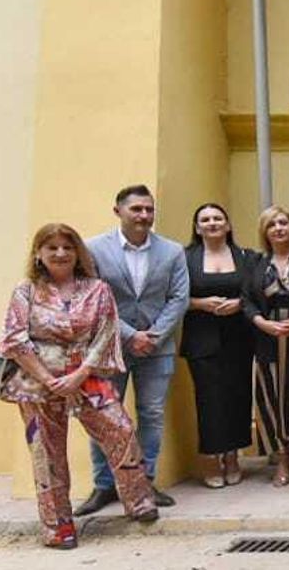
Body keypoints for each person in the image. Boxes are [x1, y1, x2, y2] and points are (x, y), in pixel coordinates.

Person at [0, 223, 159, 548]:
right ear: (39, 254)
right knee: (48, 452)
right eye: (52, 247)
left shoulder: (97, 289)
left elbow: (106, 332)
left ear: (78, 253)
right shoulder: (26, 290)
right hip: (37, 381)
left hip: (87, 376)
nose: (60, 253)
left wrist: (80, 374)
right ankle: (59, 529)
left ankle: (138, 501)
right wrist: (48, 379)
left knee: (121, 429)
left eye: (67, 247)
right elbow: (14, 338)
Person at [76, 184, 187, 517]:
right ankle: (105, 484)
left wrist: (153, 334)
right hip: (109, 348)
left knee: (151, 414)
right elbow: (92, 297)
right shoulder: (93, 249)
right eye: (136, 209)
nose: (143, 216)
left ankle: (144, 481)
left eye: (149, 210)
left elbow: (179, 298)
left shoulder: (172, 251)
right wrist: (128, 334)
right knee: (104, 417)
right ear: (118, 211)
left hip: (158, 346)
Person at [180, 203, 255, 488]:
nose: (212, 223)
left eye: (218, 218)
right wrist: (199, 303)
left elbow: (256, 292)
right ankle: (212, 458)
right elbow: (172, 297)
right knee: (209, 399)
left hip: (239, 336)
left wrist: (240, 303)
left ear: (227, 225)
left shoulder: (246, 256)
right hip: (202, 338)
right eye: (205, 220)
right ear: (197, 228)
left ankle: (234, 455)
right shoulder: (185, 258)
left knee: (238, 397)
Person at [241, 205, 289, 486]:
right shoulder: (257, 263)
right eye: (272, 225)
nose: (279, 228)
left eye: (284, 222)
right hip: (268, 337)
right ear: (265, 232)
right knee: (272, 396)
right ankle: (283, 455)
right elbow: (245, 299)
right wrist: (261, 322)